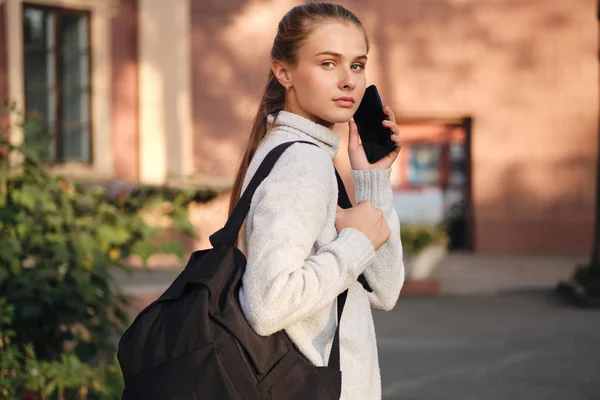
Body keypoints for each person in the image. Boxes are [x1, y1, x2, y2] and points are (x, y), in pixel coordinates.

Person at [228, 2, 405, 399]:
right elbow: (268, 303)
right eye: (328, 64)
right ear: (283, 72)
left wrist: (373, 180)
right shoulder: (302, 162)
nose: (348, 82)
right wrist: (355, 244)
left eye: (357, 66)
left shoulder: (301, 153)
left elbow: (384, 288)